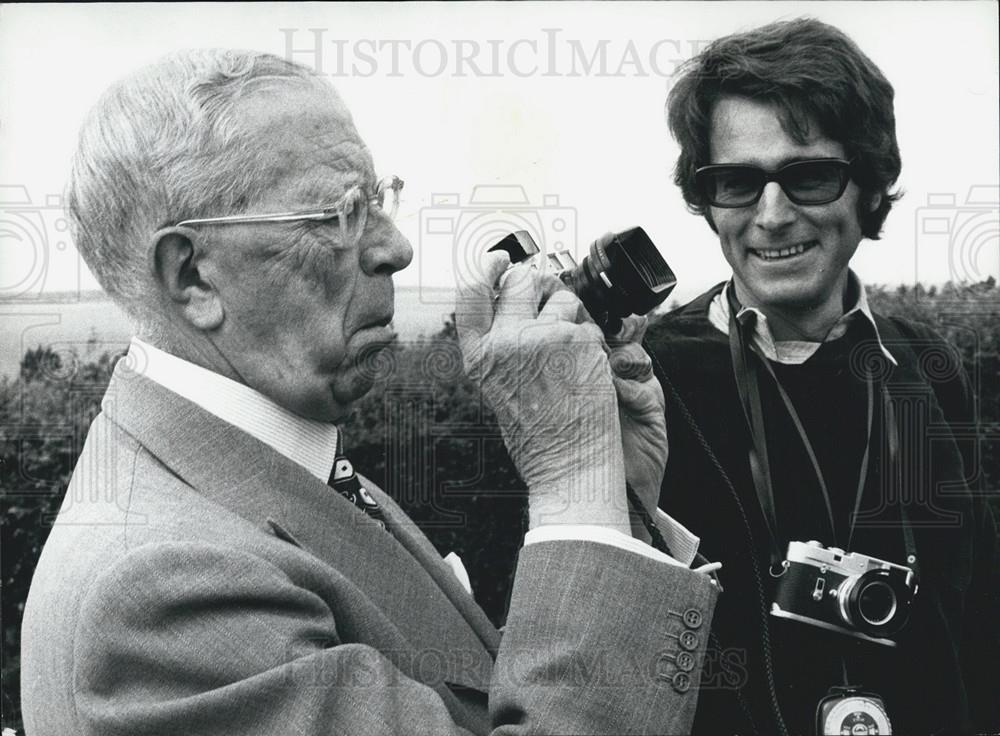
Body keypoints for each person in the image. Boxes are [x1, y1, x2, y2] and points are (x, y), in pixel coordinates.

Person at [19, 49, 720, 736]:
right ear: (192, 277)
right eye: (336, 214)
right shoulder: (158, 597)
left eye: (378, 199)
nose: (395, 248)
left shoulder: (266, 465)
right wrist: (573, 480)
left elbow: (456, 700)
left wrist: (613, 503)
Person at [646, 17, 999, 735]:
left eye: (808, 176)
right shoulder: (648, 378)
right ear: (704, 198)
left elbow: (980, 614)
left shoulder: (928, 366)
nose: (772, 216)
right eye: (737, 183)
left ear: (868, 184)